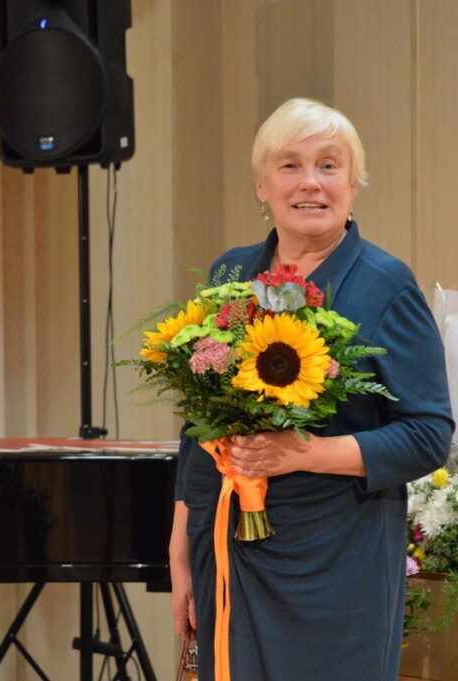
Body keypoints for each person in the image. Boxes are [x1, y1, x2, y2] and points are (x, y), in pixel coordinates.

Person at [168, 97, 453, 681]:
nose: (311, 183)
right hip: (227, 550)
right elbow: (200, 421)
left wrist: (306, 453)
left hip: (337, 562)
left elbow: (428, 435)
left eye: (329, 165)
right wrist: (180, 545)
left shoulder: (386, 284)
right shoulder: (230, 274)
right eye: (290, 166)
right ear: (261, 185)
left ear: (353, 183)